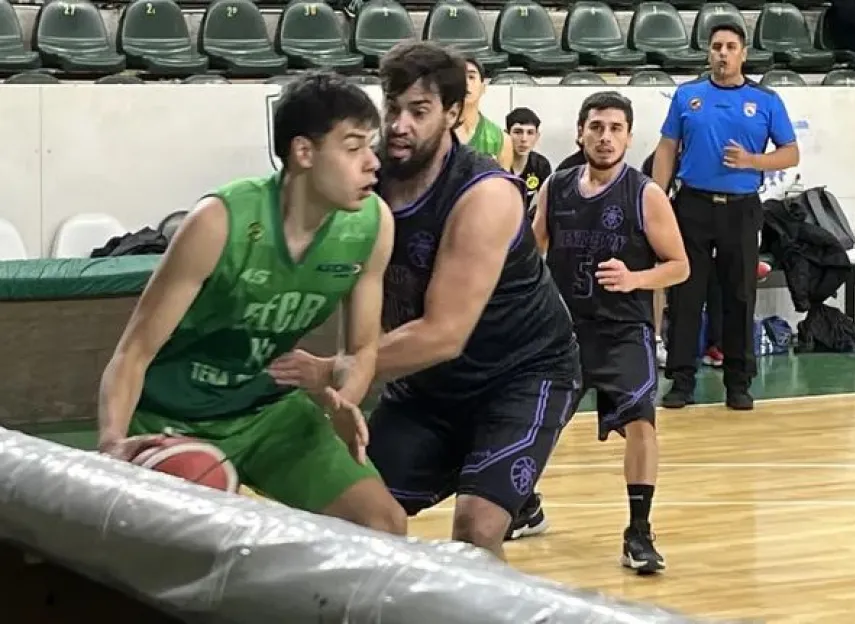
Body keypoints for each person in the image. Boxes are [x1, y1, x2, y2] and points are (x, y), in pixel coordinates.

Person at [273, 42, 581, 560]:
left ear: (454, 113)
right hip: (429, 388)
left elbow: (444, 333)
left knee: (477, 530)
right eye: (392, 108)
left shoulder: (485, 194)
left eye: (419, 111)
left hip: (522, 376)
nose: (399, 125)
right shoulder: (366, 184)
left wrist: (331, 369)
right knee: (354, 512)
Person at [95, 71, 407, 535]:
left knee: (385, 524)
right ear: (304, 152)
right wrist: (112, 446)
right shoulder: (219, 222)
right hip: (174, 419)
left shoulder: (373, 224)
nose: (372, 163)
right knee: (195, 555)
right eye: (353, 146)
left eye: (371, 145)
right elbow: (132, 353)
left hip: (268, 413)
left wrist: (346, 399)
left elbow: (361, 350)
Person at [524, 91, 689, 575]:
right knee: (530, 423)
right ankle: (525, 505)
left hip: (622, 331)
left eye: (615, 128)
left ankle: (638, 531)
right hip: (564, 332)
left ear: (629, 137)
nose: (605, 136)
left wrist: (636, 279)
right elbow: (530, 254)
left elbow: (679, 266)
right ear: (581, 132)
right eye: (596, 127)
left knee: (641, 421)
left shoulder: (645, 194)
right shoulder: (555, 188)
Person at [652, 23, 799, 411]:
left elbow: (790, 153)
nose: (723, 53)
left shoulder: (765, 100)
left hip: (741, 207)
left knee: (739, 294)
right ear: (708, 53)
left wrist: (753, 161)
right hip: (692, 206)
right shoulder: (688, 96)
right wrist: (657, 197)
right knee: (686, 294)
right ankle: (681, 381)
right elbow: (667, 148)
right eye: (716, 46)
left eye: (731, 47)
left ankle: (739, 382)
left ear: (743, 54)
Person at [454, 57, 514, 170]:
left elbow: (502, 185)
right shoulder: (438, 132)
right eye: (460, 77)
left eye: (471, 77)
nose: (466, 82)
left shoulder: (501, 139)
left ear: (483, 88)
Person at [504, 107, 552, 218]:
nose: (524, 139)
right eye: (518, 132)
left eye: (530, 132)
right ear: (507, 134)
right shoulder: (495, 163)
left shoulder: (540, 165)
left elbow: (548, 204)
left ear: (537, 136)